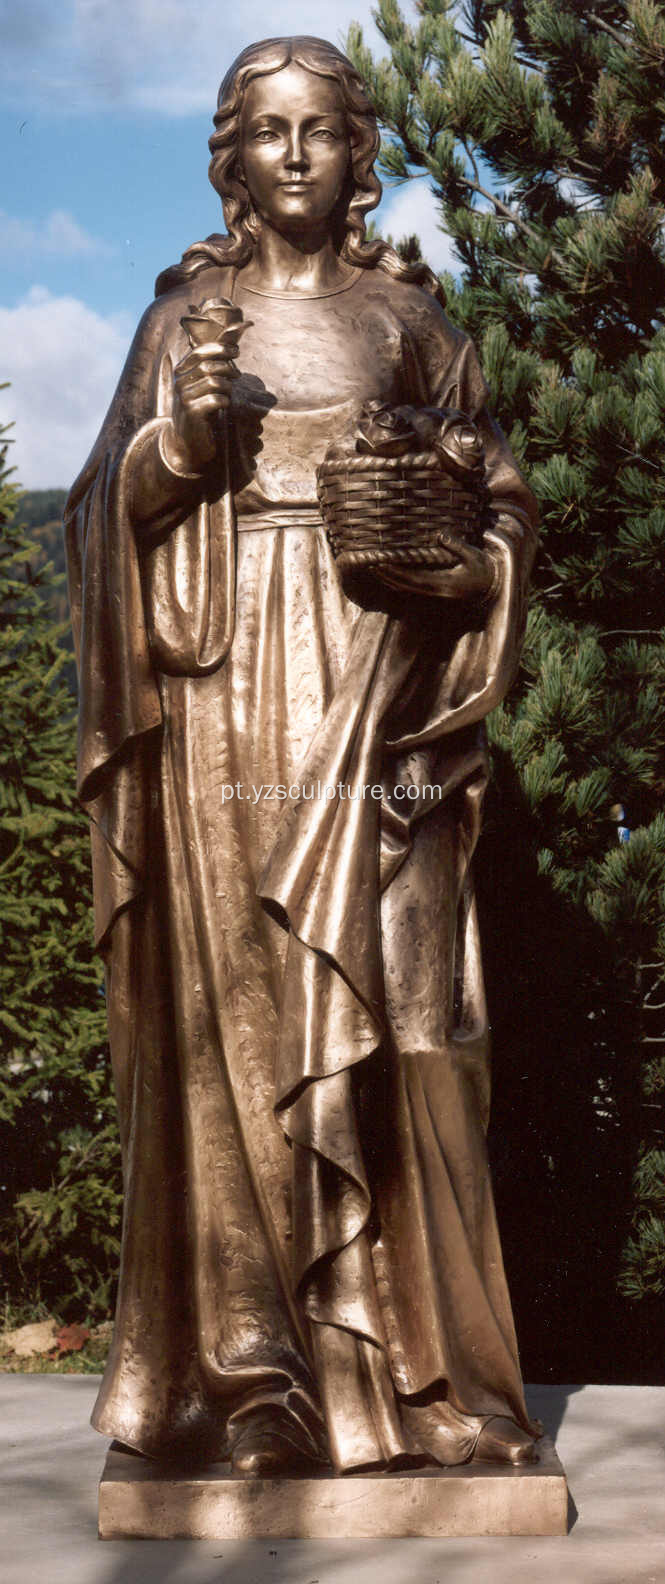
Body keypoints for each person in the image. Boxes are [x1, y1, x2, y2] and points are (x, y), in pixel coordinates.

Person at [65, 35, 540, 1478]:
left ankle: (419, 1376)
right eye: (263, 131)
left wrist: (469, 581)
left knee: (412, 1028)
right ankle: (251, 1376)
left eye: (317, 131)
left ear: (355, 154)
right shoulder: (182, 326)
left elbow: (501, 501)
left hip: (379, 689)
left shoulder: (412, 323)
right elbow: (103, 511)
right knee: (230, 1033)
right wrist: (177, 450)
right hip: (217, 706)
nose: (290, 155)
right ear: (228, 153)